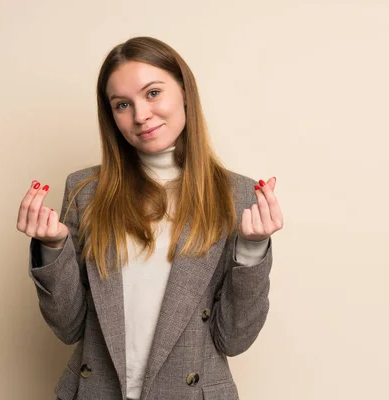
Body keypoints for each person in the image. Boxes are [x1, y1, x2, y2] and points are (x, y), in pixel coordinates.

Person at [16, 36, 283, 400]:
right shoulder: (85, 192)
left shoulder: (237, 196)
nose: (140, 115)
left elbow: (233, 339)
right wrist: (51, 249)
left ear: (185, 91)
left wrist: (253, 251)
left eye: (153, 93)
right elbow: (69, 327)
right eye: (123, 104)